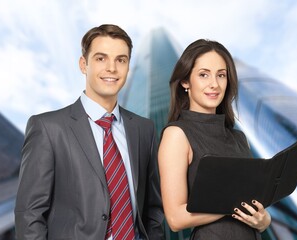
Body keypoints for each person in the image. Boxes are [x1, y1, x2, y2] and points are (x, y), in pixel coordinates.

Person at [14, 24, 165, 240]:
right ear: (83, 64)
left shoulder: (144, 129)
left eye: (121, 60)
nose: (112, 68)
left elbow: (153, 207)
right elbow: (29, 214)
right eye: (101, 58)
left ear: (128, 68)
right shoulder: (48, 128)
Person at [158, 39, 271, 239]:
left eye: (221, 75)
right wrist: (233, 205)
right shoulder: (177, 134)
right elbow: (175, 218)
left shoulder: (239, 138)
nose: (214, 84)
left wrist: (264, 220)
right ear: (185, 81)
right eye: (203, 75)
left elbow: (253, 200)